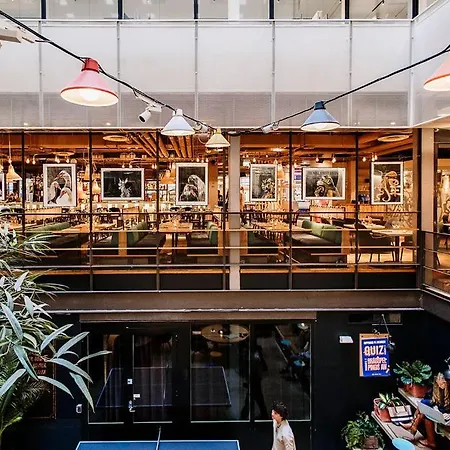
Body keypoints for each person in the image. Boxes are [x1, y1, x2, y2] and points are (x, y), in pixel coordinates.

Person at [401, 372, 450, 448]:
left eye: (442, 384)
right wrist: (435, 407)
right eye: (438, 384)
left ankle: (414, 425)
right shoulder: (439, 388)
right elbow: (430, 398)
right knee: (424, 404)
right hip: (442, 409)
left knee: (426, 413)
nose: (440, 386)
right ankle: (414, 425)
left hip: (447, 413)